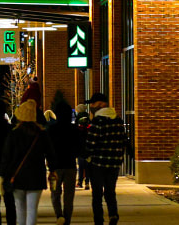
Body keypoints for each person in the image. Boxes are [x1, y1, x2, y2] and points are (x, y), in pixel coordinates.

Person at [2, 101, 54, 225]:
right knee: (32, 210)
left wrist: (2, 175)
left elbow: (6, 156)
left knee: (20, 209)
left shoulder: (14, 134)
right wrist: (53, 170)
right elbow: (50, 154)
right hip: (36, 176)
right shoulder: (42, 134)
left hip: (17, 176)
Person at [83, 94, 127, 225]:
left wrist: (87, 155)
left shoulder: (98, 121)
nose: (91, 106)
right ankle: (113, 214)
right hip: (114, 163)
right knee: (110, 191)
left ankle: (99, 220)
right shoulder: (118, 120)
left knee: (97, 193)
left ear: (101, 104)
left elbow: (91, 143)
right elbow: (123, 140)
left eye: (93, 103)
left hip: (98, 162)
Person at [47, 101, 83, 225]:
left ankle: (59, 216)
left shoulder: (51, 129)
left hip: (55, 167)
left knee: (54, 193)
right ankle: (67, 219)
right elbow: (79, 148)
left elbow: (48, 149)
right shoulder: (75, 129)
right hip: (70, 166)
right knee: (69, 195)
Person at [74, 105, 91, 190]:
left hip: (81, 146)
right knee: (87, 165)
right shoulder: (88, 118)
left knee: (81, 165)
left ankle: (80, 182)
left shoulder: (78, 119)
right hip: (88, 146)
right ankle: (87, 182)